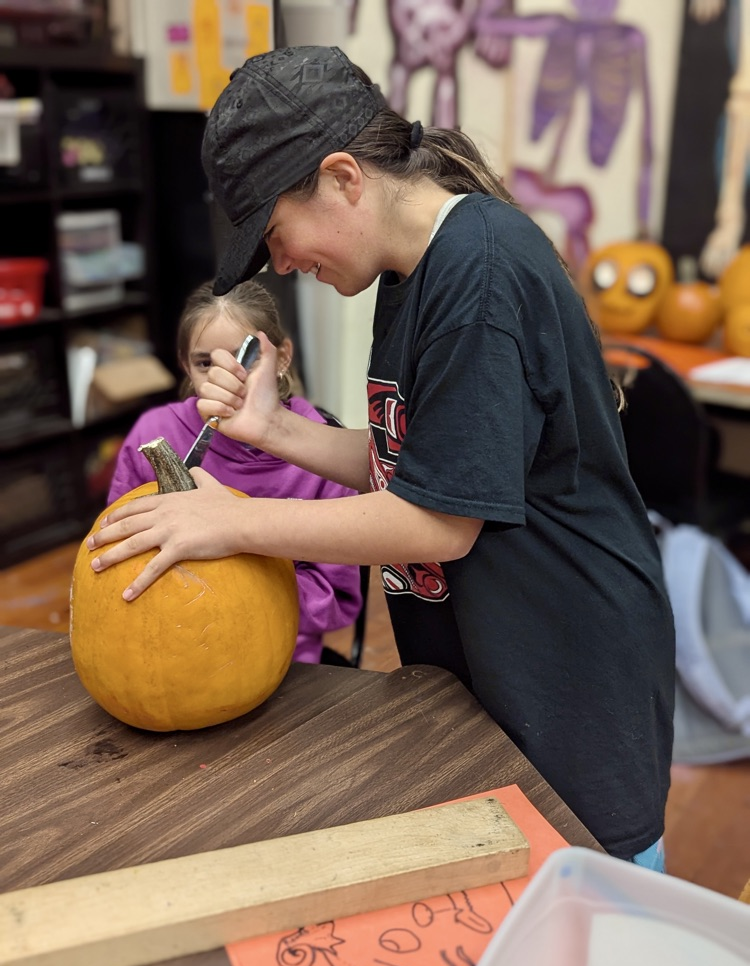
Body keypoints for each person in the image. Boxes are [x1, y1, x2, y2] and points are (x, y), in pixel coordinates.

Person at [87, 46, 675, 866]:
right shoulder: (408, 272)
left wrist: (239, 519)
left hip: (568, 681)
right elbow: (424, 459)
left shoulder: (479, 275)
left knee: (595, 942)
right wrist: (279, 430)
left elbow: (439, 521)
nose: (283, 264)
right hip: (490, 670)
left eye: (276, 235)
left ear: (342, 178)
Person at [106, 278, 363, 665]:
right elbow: (117, 552)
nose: (224, 377)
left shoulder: (328, 455)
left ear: (283, 357)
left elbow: (336, 600)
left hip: (282, 662)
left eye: (245, 357)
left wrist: (226, 588)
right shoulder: (151, 435)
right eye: (205, 363)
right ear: (184, 365)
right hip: (166, 653)